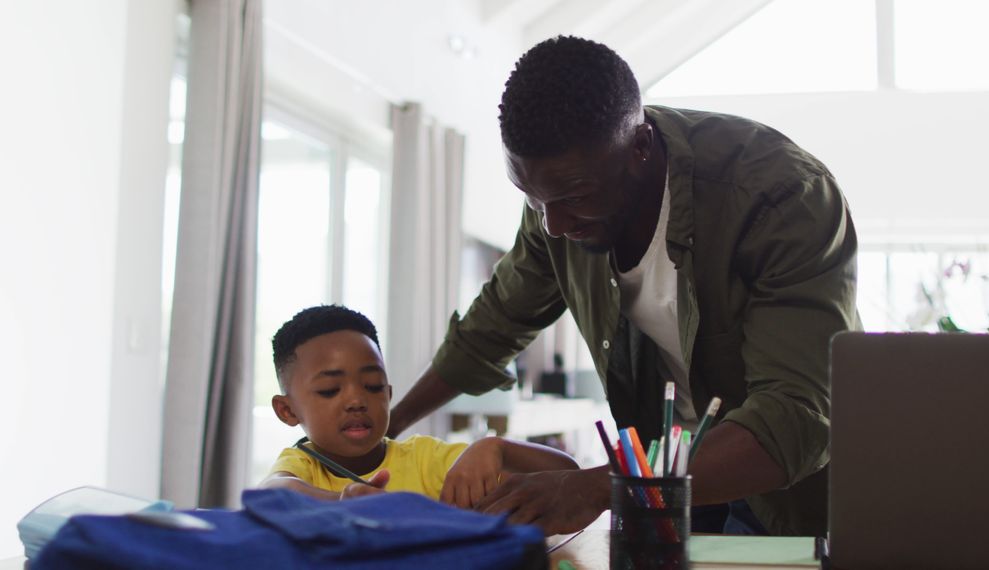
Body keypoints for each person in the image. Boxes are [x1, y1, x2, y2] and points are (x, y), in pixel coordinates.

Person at [387, 36, 861, 537]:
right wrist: (388, 427)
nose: (553, 225)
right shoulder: (556, 205)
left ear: (639, 147)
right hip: (663, 464)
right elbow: (494, 323)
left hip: (779, 482)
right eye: (531, 199)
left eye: (574, 197)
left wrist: (596, 488)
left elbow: (794, 413)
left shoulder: (780, 196)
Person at [259, 305, 578, 505]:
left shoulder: (426, 459)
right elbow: (271, 494)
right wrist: (341, 499)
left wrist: (500, 449)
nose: (357, 400)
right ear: (287, 411)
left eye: (373, 386)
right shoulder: (302, 466)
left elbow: (569, 476)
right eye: (330, 390)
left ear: (389, 393)